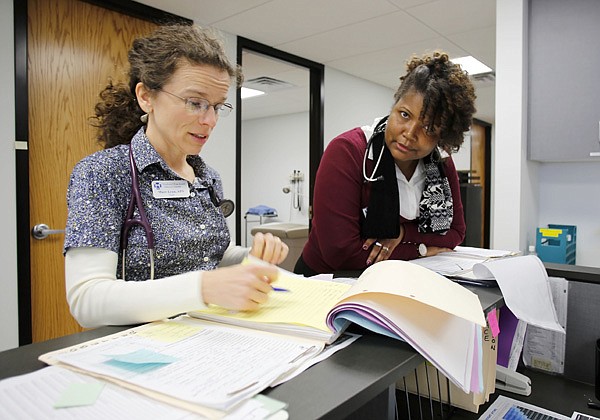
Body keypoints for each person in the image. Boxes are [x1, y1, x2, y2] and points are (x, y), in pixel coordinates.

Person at [64, 24, 288, 328]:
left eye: (218, 107)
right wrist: (205, 288)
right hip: (138, 351)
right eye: (194, 102)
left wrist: (251, 257)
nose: (209, 121)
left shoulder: (206, 177)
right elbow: (87, 300)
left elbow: (208, 255)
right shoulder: (103, 173)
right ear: (146, 97)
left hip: (209, 337)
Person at [295, 51, 476, 276]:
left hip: (397, 280)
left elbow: (455, 232)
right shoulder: (348, 152)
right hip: (326, 280)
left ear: (444, 136)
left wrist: (402, 232)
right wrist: (420, 249)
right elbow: (341, 253)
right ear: (394, 105)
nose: (409, 133)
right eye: (404, 114)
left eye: (429, 128)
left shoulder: (441, 164)